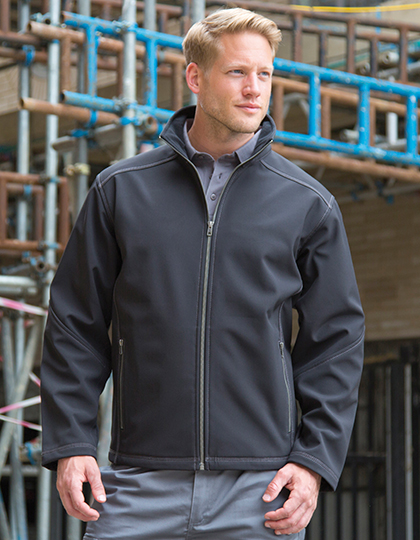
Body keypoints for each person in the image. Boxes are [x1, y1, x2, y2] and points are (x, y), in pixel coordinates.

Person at [41, 7, 365, 539]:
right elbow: (74, 323)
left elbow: (337, 340)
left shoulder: (308, 203)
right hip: (136, 482)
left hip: (260, 491)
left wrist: (314, 460)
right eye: (237, 72)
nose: (254, 89)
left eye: (264, 74)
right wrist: (71, 442)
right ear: (195, 77)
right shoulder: (121, 190)